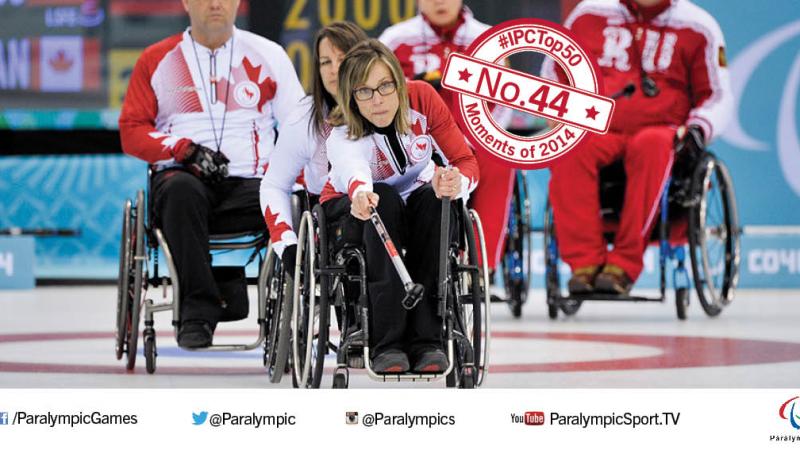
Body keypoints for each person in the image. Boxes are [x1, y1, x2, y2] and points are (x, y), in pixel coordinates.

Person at [118, 0, 304, 348]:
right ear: (187, 2)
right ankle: (198, 311)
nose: (215, 4)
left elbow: (299, 127)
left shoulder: (269, 54)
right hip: (184, 181)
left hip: (253, 183)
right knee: (181, 192)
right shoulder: (157, 59)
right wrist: (183, 150)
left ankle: (234, 297)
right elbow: (131, 130)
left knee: (287, 197)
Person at [541, 0, 732, 295]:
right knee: (571, 146)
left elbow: (717, 96)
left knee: (652, 145)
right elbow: (555, 72)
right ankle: (585, 264)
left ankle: (624, 265)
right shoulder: (589, 15)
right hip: (599, 126)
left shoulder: (698, 26)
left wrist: (699, 129)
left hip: (662, 132)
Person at [321, 39, 479, 374]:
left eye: (384, 86)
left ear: (398, 82)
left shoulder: (422, 98)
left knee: (438, 197)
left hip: (413, 201)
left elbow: (465, 160)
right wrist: (362, 194)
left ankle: (428, 340)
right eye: (364, 92)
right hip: (354, 208)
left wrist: (455, 182)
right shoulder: (342, 132)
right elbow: (355, 172)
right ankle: (387, 341)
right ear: (351, 96)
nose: (377, 101)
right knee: (384, 198)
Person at [379, 0, 515, 280]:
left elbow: (504, 102)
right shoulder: (394, 39)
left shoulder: (488, 40)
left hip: (474, 142)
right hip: (412, 143)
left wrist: (472, 139)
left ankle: (480, 266)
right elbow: (376, 101)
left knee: (501, 157)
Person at [260, 21, 368, 271]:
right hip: (332, 214)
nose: (333, 70)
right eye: (325, 62)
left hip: (384, 203)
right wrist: (285, 243)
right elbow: (274, 184)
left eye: (342, 58)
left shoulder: (384, 105)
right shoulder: (304, 117)